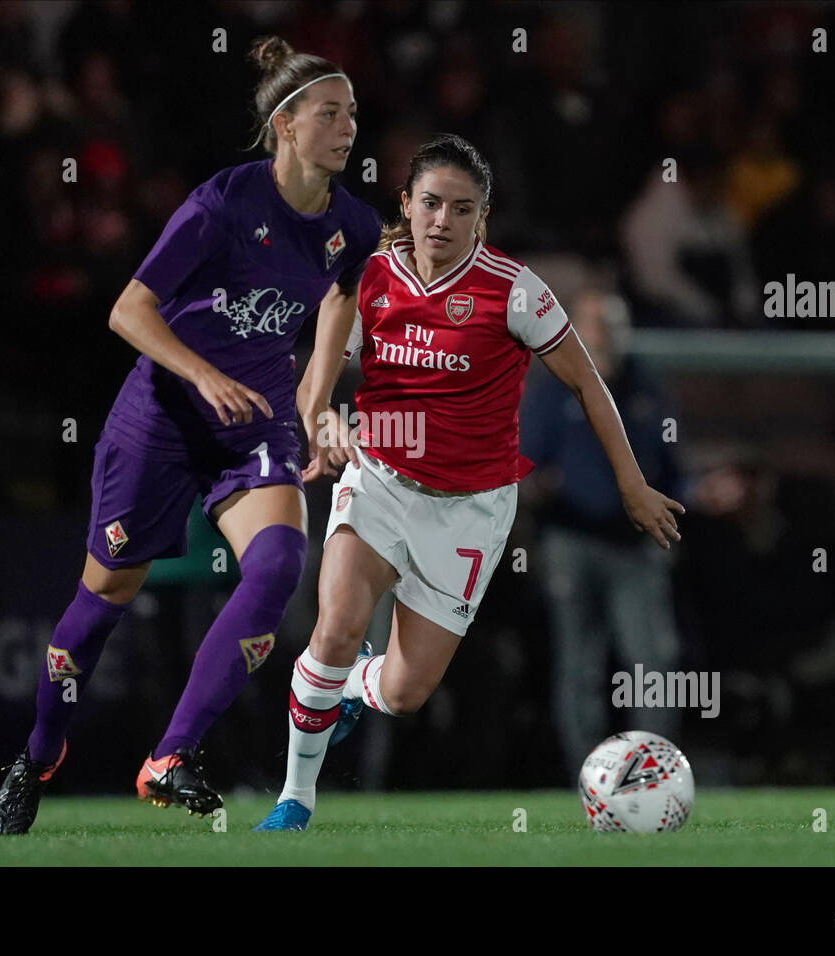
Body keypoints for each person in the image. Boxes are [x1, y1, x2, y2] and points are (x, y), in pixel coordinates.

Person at [0, 36, 380, 834]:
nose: (347, 128)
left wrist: (315, 393)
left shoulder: (352, 222)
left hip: (254, 420)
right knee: (104, 599)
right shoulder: (222, 205)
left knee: (277, 565)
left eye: (352, 114)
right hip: (164, 418)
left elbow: (345, 293)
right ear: (285, 124)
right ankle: (36, 755)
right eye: (329, 114)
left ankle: (171, 755)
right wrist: (201, 373)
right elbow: (127, 309)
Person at [254, 134, 685, 830]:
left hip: (471, 509)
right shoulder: (370, 278)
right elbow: (315, 379)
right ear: (407, 205)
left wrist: (632, 484)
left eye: (461, 209)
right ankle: (294, 798)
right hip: (380, 481)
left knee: (404, 691)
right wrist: (327, 425)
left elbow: (588, 385)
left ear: (481, 218)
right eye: (430, 204)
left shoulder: (515, 292)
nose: (442, 221)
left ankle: (355, 686)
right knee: (333, 626)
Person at [521, 290, 684, 777]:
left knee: (652, 662)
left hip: (636, 545)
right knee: (580, 666)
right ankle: (587, 778)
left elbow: (674, 468)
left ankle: (652, 775)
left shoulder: (647, 389)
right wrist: (539, 489)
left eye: (614, 324)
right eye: (594, 324)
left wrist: (690, 503)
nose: (605, 335)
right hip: (572, 541)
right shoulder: (552, 389)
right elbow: (525, 467)